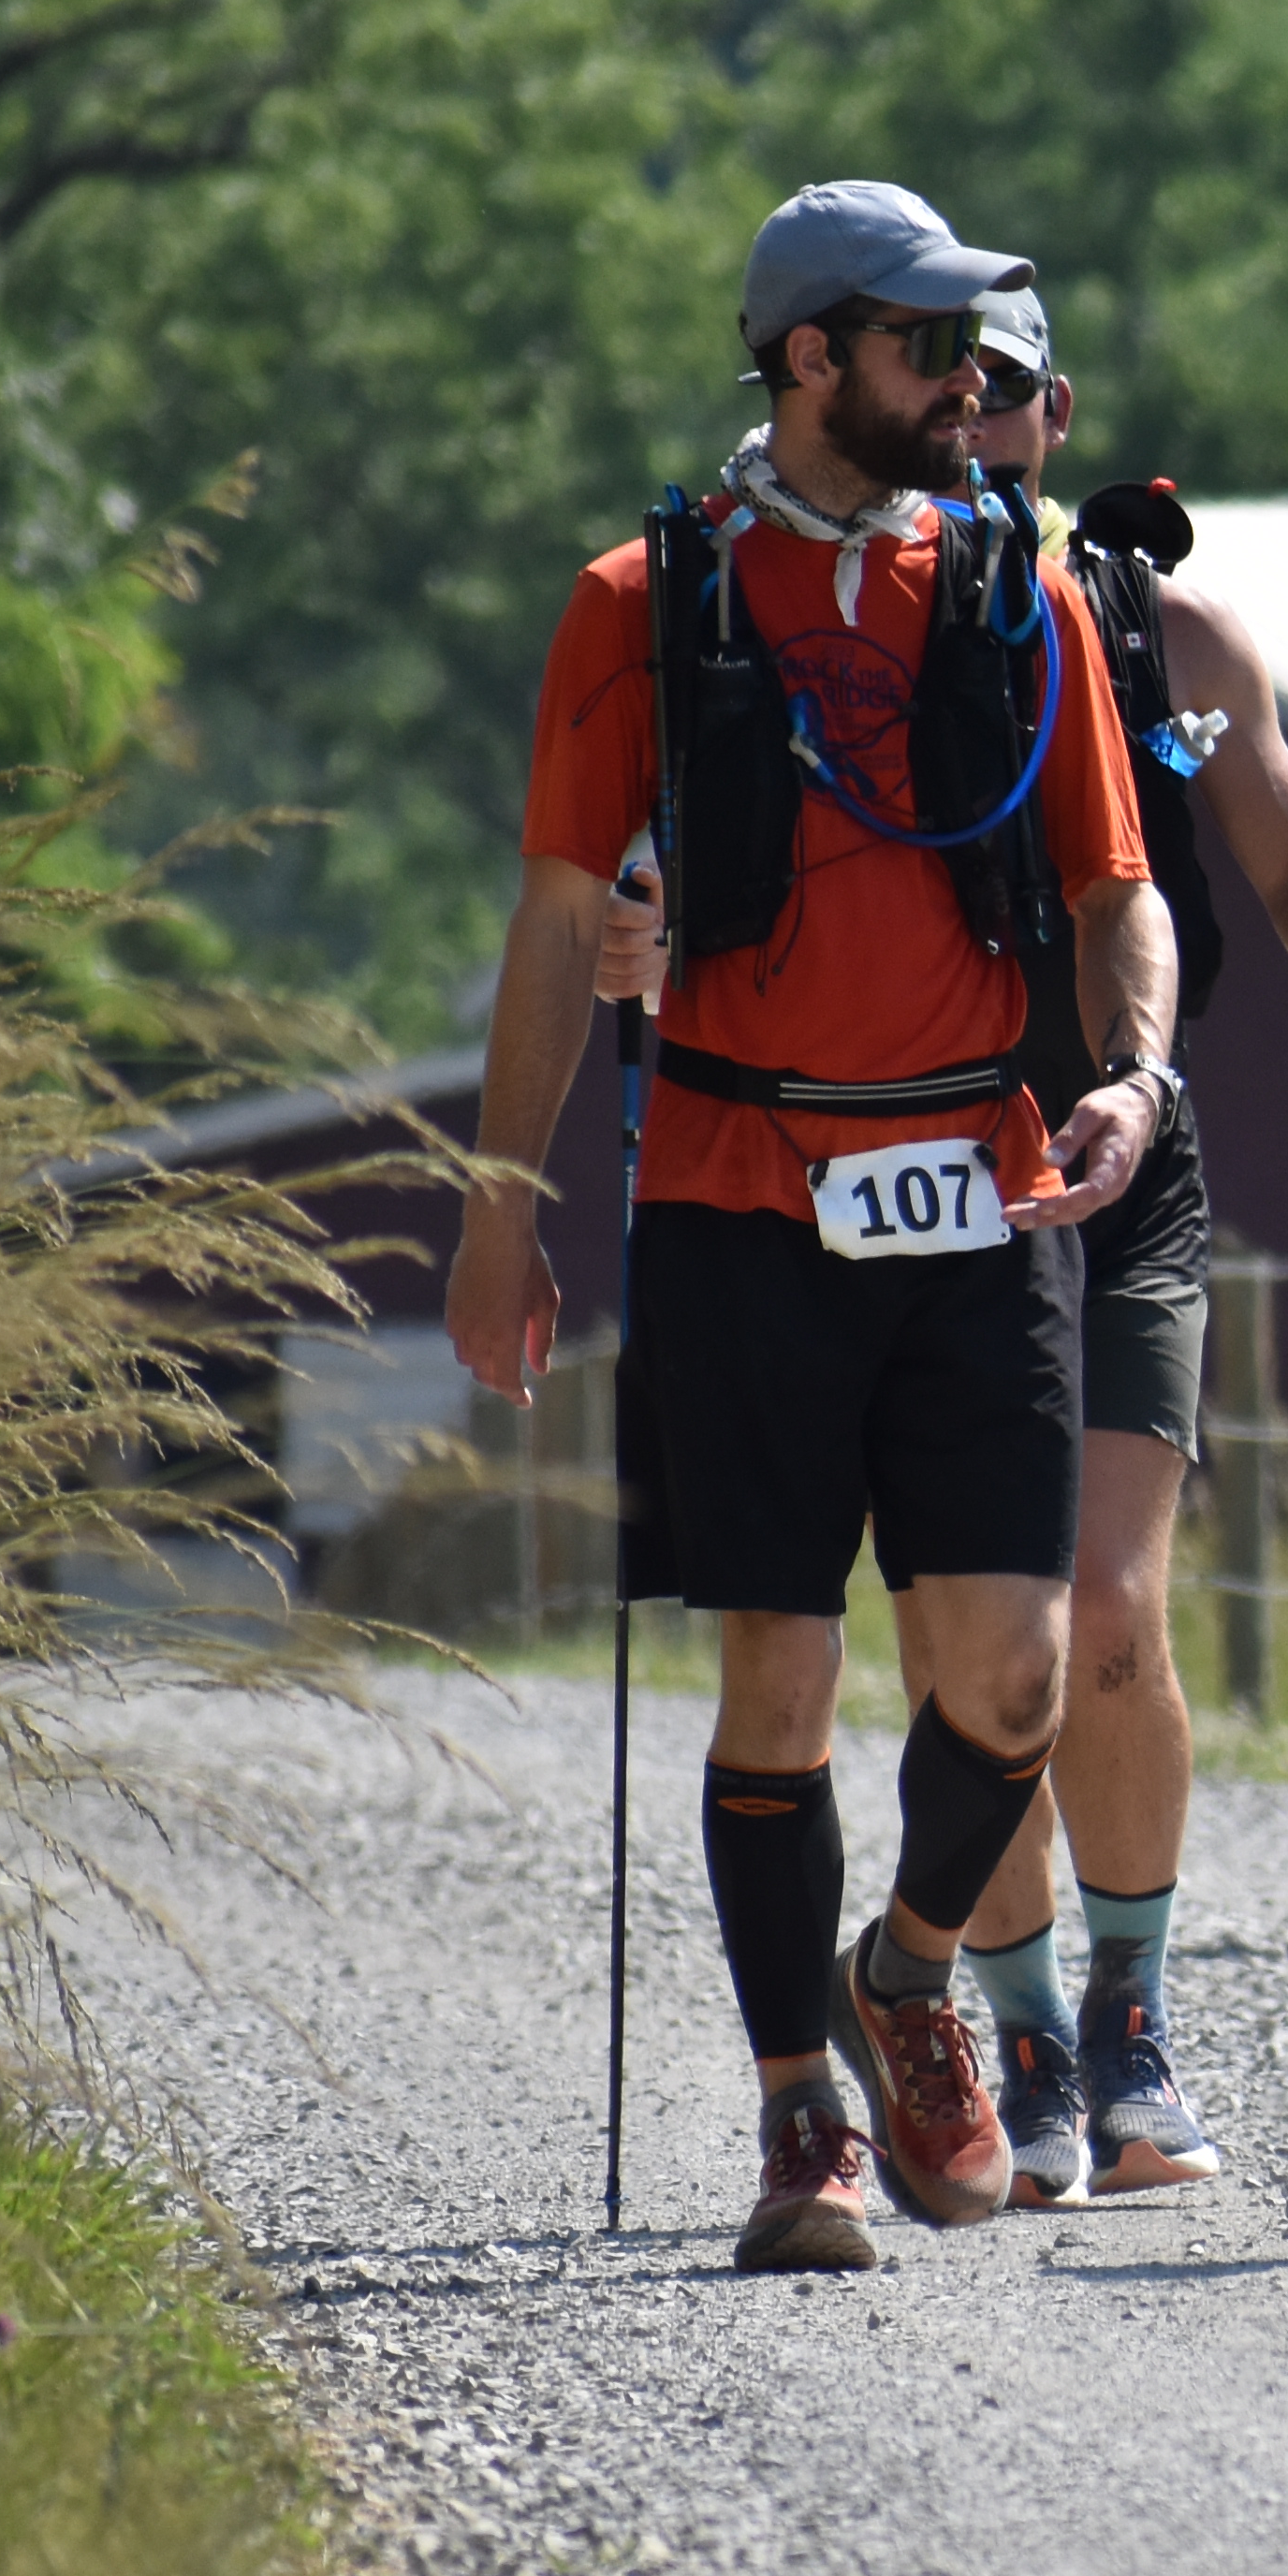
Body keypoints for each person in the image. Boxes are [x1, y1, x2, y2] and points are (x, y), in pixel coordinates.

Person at [599, 272, 1288, 2202]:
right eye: (949, 392)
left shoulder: (1154, 619)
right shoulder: (835, 605)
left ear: (1056, 424)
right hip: (915, 1171)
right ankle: (1010, 2019)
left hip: (1120, 1161)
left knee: (1105, 1610)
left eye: (1013, 401)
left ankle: (1119, 2021)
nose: (976, 428)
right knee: (956, 1640)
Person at [452, 178, 1170, 2276]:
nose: (969, 381)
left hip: (982, 1187)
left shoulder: (1015, 589)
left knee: (1016, 1680)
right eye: (926, 346)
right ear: (805, 359)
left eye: (974, 347)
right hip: (736, 1196)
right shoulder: (635, 603)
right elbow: (557, 920)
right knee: (776, 1680)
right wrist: (502, 1207)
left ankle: (911, 1965)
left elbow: (1117, 883)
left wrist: (1132, 1069)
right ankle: (797, 2123)